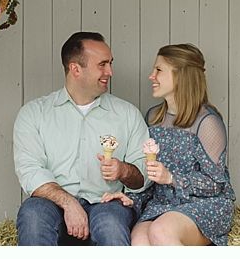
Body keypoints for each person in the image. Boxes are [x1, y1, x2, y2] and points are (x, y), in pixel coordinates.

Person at [13, 31, 150, 245]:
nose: (110, 72)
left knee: (111, 227)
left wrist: (124, 170)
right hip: (52, 203)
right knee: (32, 217)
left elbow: (143, 176)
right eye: (102, 65)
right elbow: (30, 171)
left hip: (107, 203)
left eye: (110, 63)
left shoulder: (127, 114)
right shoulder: (34, 114)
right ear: (75, 69)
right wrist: (69, 203)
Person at [102, 43, 236, 245]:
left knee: (161, 231)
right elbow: (149, 175)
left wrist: (172, 178)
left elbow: (216, 184)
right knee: (139, 242)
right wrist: (131, 198)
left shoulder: (207, 123)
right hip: (162, 203)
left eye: (158, 70)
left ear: (181, 75)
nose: (151, 76)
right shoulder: (154, 117)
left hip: (204, 205)